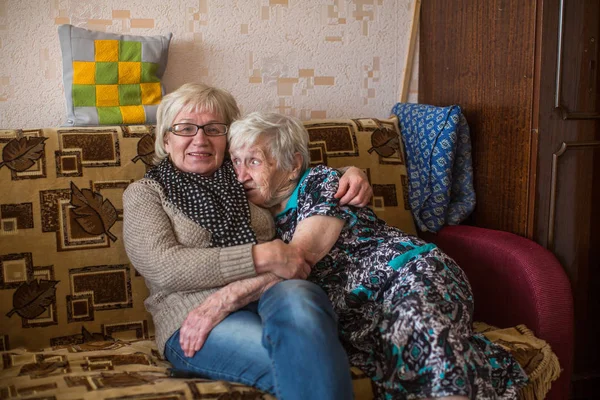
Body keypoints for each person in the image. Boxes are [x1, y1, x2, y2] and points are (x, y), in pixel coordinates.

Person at [223, 111, 529, 399]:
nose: (240, 176)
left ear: (293, 165)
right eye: (235, 162)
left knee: (423, 332)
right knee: (398, 361)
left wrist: (221, 303)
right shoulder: (255, 218)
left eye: (254, 162)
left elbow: (300, 256)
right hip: (363, 316)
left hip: (409, 274)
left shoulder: (320, 183)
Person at [122, 83, 372, 400]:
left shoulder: (243, 178)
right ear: (166, 138)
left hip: (273, 294)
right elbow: (163, 266)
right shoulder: (145, 193)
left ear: (228, 138)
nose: (199, 139)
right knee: (301, 359)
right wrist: (260, 256)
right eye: (185, 128)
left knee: (301, 296)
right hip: (196, 319)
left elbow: (296, 178)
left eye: (213, 129)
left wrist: (351, 172)